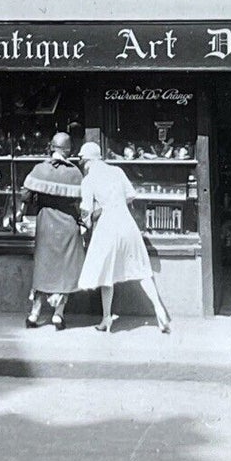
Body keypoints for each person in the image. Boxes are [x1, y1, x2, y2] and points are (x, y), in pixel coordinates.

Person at [76, 141, 171, 334]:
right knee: (142, 270)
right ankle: (159, 310)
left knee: (106, 274)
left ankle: (106, 319)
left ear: (86, 161)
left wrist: (91, 219)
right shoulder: (117, 171)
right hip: (127, 224)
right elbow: (131, 195)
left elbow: (85, 210)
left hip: (107, 227)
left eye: (83, 162)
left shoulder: (88, 180)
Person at [21, 132, 85, 330]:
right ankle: (58, 315)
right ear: (68, 150)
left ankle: (34, 314)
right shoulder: (75, 173)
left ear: (51, 147)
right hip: (68, 225)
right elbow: (82, 201)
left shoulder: (40, 169)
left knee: (43, 268)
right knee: (66, 269)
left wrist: (40, 200)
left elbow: (25, 196)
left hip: (46, 223)